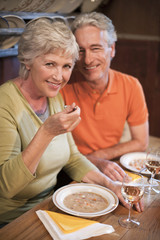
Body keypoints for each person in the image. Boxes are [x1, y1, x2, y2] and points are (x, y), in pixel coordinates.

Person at [0, 17, 143, 227]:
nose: (59, 76)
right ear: (27, 61)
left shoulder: (54, 96)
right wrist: (46, 133)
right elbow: (7, 186)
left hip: (52, 207)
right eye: (50, 64)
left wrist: (110, 184)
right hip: (14, 221)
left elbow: (73, 157)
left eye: (66, 66)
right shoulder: (5, 101)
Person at [60, 12, 149, 182]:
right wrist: (94, 161)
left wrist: (99, 157)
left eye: (95, 48)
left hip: (111, 166)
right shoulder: (62, 87)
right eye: (80, 50)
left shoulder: (131, 85)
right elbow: (55, 152)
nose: (87, 60)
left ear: (112, 49)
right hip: (72, 172)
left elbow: (141, 142)